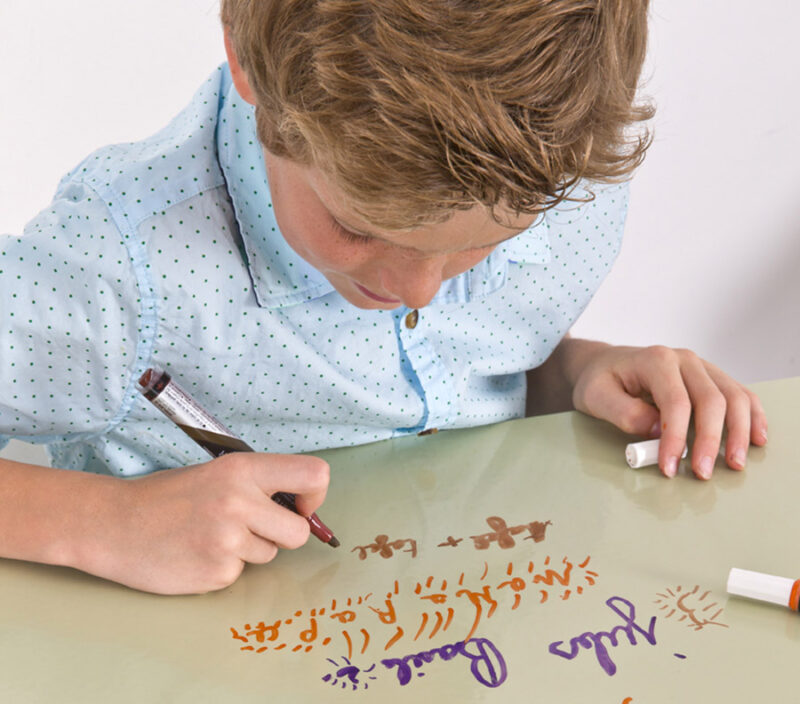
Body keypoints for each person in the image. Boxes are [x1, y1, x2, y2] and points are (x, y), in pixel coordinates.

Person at [0, 0, 766, 594]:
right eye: (357, 228)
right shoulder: (113, 270)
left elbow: (443, 365)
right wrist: (104, 523)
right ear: (247, 62)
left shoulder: (566, 165)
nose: (419, 290)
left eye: (486, 243)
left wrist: (570, 377)